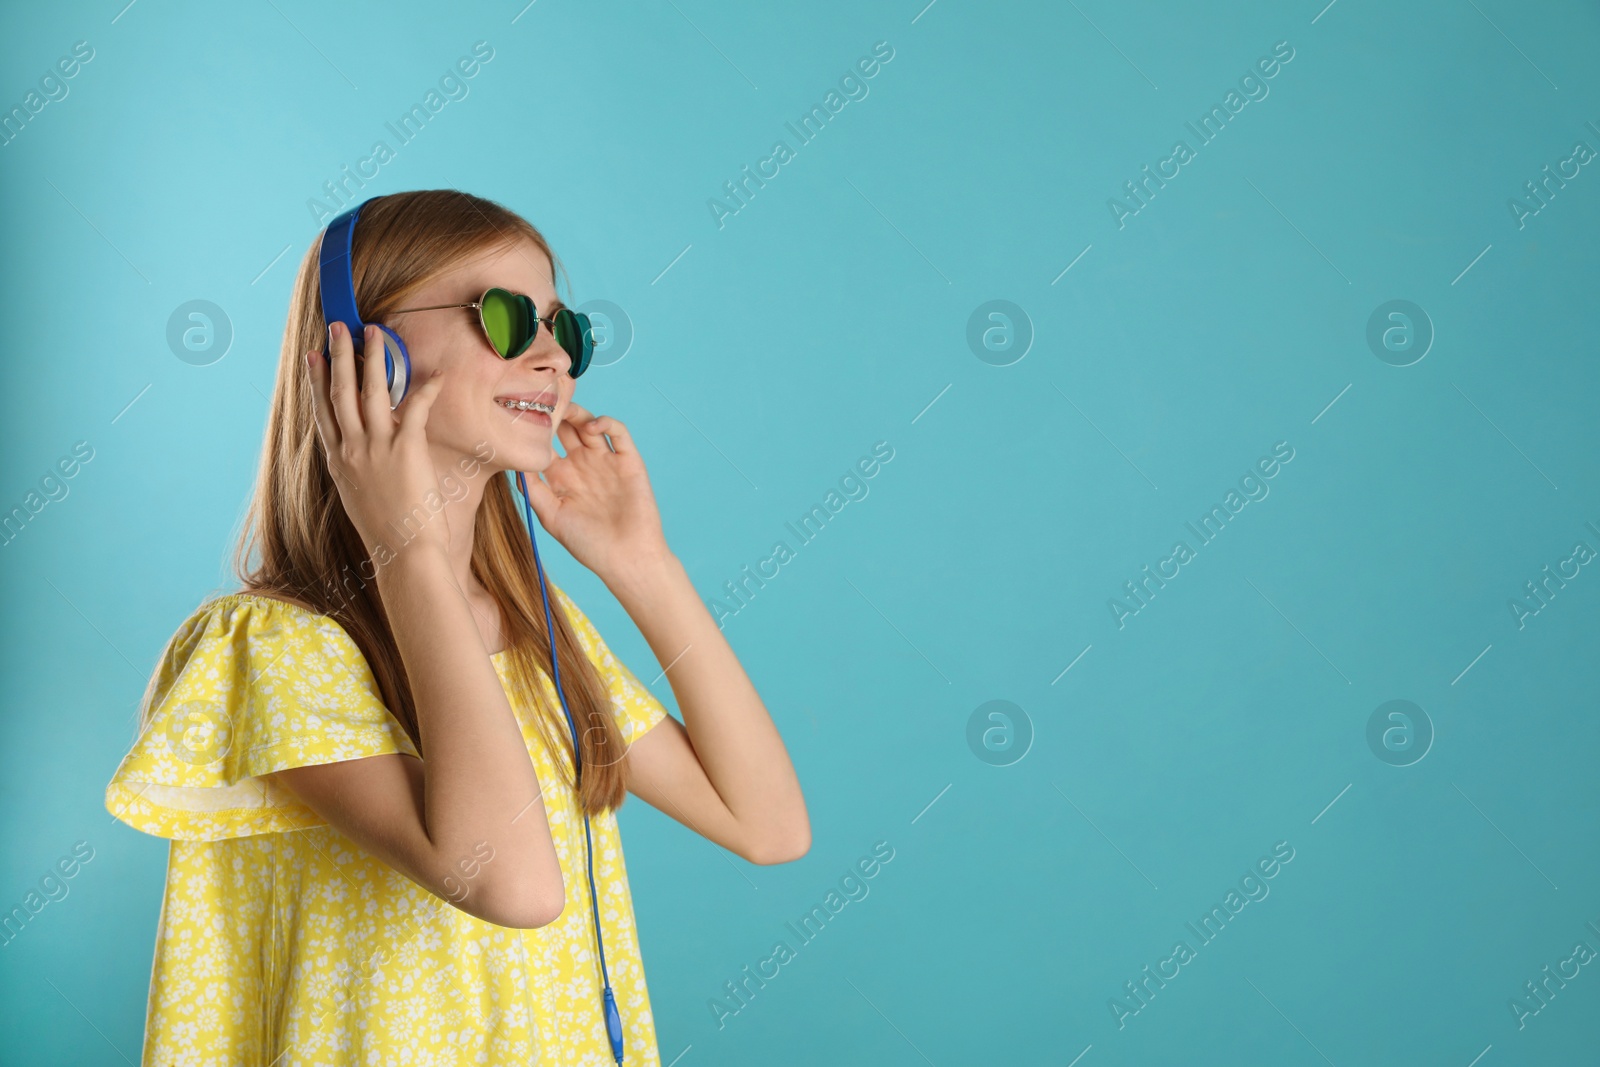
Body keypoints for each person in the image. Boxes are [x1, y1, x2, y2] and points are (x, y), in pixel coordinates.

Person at [103, 189, 810, 1065]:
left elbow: (769, 825)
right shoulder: (275, 647)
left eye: (565, 328)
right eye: (509, 318)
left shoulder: (532, 632)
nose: (554, 358)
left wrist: (642, 565)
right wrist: (405, 547)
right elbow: (511, 882)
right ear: (363, 353)